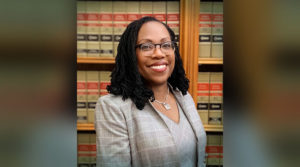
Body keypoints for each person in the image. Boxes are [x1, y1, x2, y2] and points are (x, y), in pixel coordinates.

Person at [95, 16, 206, 167]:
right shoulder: (113, 107)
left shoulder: (184, 97)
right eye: (146, 46)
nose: (159, 53)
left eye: (166, 45)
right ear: (130, 55)